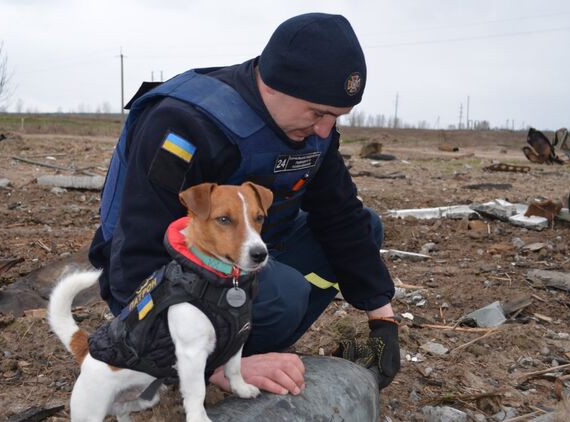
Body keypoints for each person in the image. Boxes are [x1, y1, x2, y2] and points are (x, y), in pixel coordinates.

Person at [88, 12, 400, 396]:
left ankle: (254, 341)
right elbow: (137, 260)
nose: (324, 130)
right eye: (318, 113)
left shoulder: (314, 131)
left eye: (336, 118)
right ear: (273, 85)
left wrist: (383, 322)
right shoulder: (185, 123)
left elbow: (341, 216)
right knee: (284, 295)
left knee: (366, 228)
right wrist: (216, 369)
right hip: (163, 275)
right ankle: (212, 355)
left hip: (249, 251)